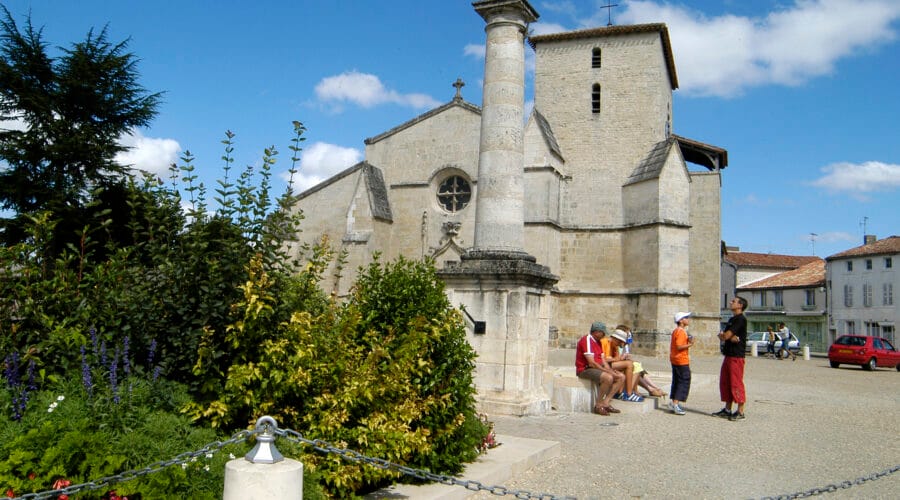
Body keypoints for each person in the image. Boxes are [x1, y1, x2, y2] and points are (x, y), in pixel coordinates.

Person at [575, 322, 624, 416]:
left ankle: (606, 402)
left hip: (596, 367)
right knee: (608, 378)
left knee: (621, 377)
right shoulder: (587, 340)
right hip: (585, 369)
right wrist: (607, 371)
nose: (604, 335)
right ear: (597, 332)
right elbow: (591, 362)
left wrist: (609, 369)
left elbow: (602, 359)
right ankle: (598, 405)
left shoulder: (598, 342)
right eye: (603, 332)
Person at [714, 296, 748, 421]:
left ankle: (740, 411)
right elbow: (723, 336)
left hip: (736, 356)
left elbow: (726, 335)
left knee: (736, 383)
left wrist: (727, 336)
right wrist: (726, 336)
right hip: (728, 355)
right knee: (726, 382)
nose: (730, 302)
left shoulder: (740, 319)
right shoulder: (732, 319)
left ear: (740, 305)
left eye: (733, 301)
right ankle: (727, 409)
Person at [615, 324, 666, 398]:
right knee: (635, 366)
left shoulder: (625, 345)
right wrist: (624, 358)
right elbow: (616, 357)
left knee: (637, 367)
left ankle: (652, 388)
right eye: (627, 334)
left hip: (623, 364)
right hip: (619, 366)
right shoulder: (618, 344)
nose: (629, 335)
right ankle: (648, 389)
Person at [607, 329, 643, 402]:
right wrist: (617, 359)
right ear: (616, 339)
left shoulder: (615, 346)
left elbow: (617, 358)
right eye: (619, 342)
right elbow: (602, 359)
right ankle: (628, 393)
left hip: (610, 363)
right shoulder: (605, 343)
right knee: (629, 364)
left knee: (634, 365)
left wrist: (619, 359)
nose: (620, 344)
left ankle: (623, 392)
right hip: (604, 364)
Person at [669, 312, 694, 415]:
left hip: (675, 359)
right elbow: (679, 346)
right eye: (686, 318)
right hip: (681, 360)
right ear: (681, 321)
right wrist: (690, 344)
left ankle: (674, 401)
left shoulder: (677, 331)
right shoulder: (681, 332)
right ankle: (675, 403)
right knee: (683, 380)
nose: (688, 319)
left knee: (677, 380)